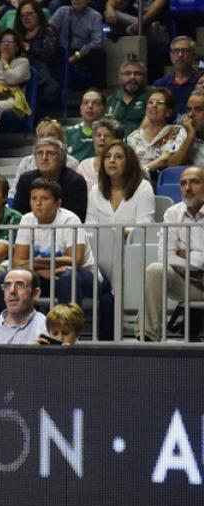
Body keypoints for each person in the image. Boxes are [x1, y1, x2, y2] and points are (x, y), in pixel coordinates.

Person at [12, 176, 114, 340]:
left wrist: (34, 264)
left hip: (85, 276)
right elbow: (18, 262)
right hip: (46, 276)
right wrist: (45, 271)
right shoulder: (27, 220)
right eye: (34, 198)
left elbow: (75, 260)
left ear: (58, 203)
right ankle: (15, 335)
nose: (38, 203)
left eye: (44, 199)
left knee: (67, 276)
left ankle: (67, 337)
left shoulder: (69, 219)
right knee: (10, 278)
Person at [141, 166, 204, 341]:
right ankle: (149, 337)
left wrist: (186, 253)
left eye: (194, 182)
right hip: (188, 281)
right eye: (183, 183)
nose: (187, 188)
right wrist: (197, 258)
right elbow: (166, 256)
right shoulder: (172, 213)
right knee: (155, 269)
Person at [86, 140, 155, 231]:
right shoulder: (95, 191)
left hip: (135, 244)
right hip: (102, 244)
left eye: (118, 157)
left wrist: (117, 235)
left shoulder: (143, 188)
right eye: (107, 157)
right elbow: (90, 228)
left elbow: (144, 228)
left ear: (129, 162)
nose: (111, 160)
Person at [12, 138, 89, 218]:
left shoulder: (75, 182)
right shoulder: (26, 180)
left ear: (61, 158)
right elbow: (18, 215)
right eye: (40, 153)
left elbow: (76, 218)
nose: (44, 158)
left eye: (50, 153)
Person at [127, 87, 191, 176]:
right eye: (150, 102)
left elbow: (167, 161)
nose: (154, 105)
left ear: (168, 112)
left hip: (163, 179)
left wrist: (143, 170)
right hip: (136, 181)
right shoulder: (134, 137)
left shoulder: (176, 131)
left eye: (160, 103)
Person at [65, 89, 106, 161]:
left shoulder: (112, 133)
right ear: (81, 108)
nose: (90, 106)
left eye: (95, 103)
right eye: (86, 102)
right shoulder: (68, 133)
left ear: (104, 108)